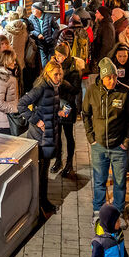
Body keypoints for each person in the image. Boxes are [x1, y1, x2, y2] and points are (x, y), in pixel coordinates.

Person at [82, 58, 129, 222]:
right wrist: (91, 138)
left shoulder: (126, 92)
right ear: (102, 76)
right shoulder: (92, 91)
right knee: (99, 181)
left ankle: (118, 213)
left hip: (118, 147)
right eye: (109, 77)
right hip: (98, 146)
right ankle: (98, 212)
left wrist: (126, 142)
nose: (112, 80)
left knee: (120, 183)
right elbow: (85, 114)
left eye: (114, 76)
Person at [18, 58, 63, 219]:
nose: (58, 77)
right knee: (39, 174)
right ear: (48, 73)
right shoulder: (41, 87)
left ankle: (44, 201)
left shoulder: (54, 87)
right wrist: (37, 120)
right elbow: (21, 105)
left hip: (49, 136)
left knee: (44, 173)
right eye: (56, 74)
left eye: (60, 74)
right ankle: (38, 206)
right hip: (39, 137)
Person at [52, 41, 82, 178]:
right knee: (57, 134)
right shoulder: (53, 67)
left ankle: (69, 163)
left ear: (66, 55)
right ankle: (58, 160)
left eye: (61, 56)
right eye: (57, 55)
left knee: (68, 134)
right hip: (56, 103)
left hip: (68, 105)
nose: (59, 58)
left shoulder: (74, 69)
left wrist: (62, 81)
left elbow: (76, 90)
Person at [0, 47, 20, 134]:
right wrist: (15, 109)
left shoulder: (9, 75)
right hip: (5, 120)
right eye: (13, 60)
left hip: (9, 119)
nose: (15, 62)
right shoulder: (1, 79)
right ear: (6, 62)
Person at [28, 1, 59, 67]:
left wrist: (53, 37)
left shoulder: (49, 17)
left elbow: (57, 28)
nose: (32, 11)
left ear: (39, 10)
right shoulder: (31, 18)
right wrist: (37, 34)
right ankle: (46, 76)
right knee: (44, 64)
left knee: (52, 62)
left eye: (34, 9)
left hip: (50, 44)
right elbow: (30, 30)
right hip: (41, 44)